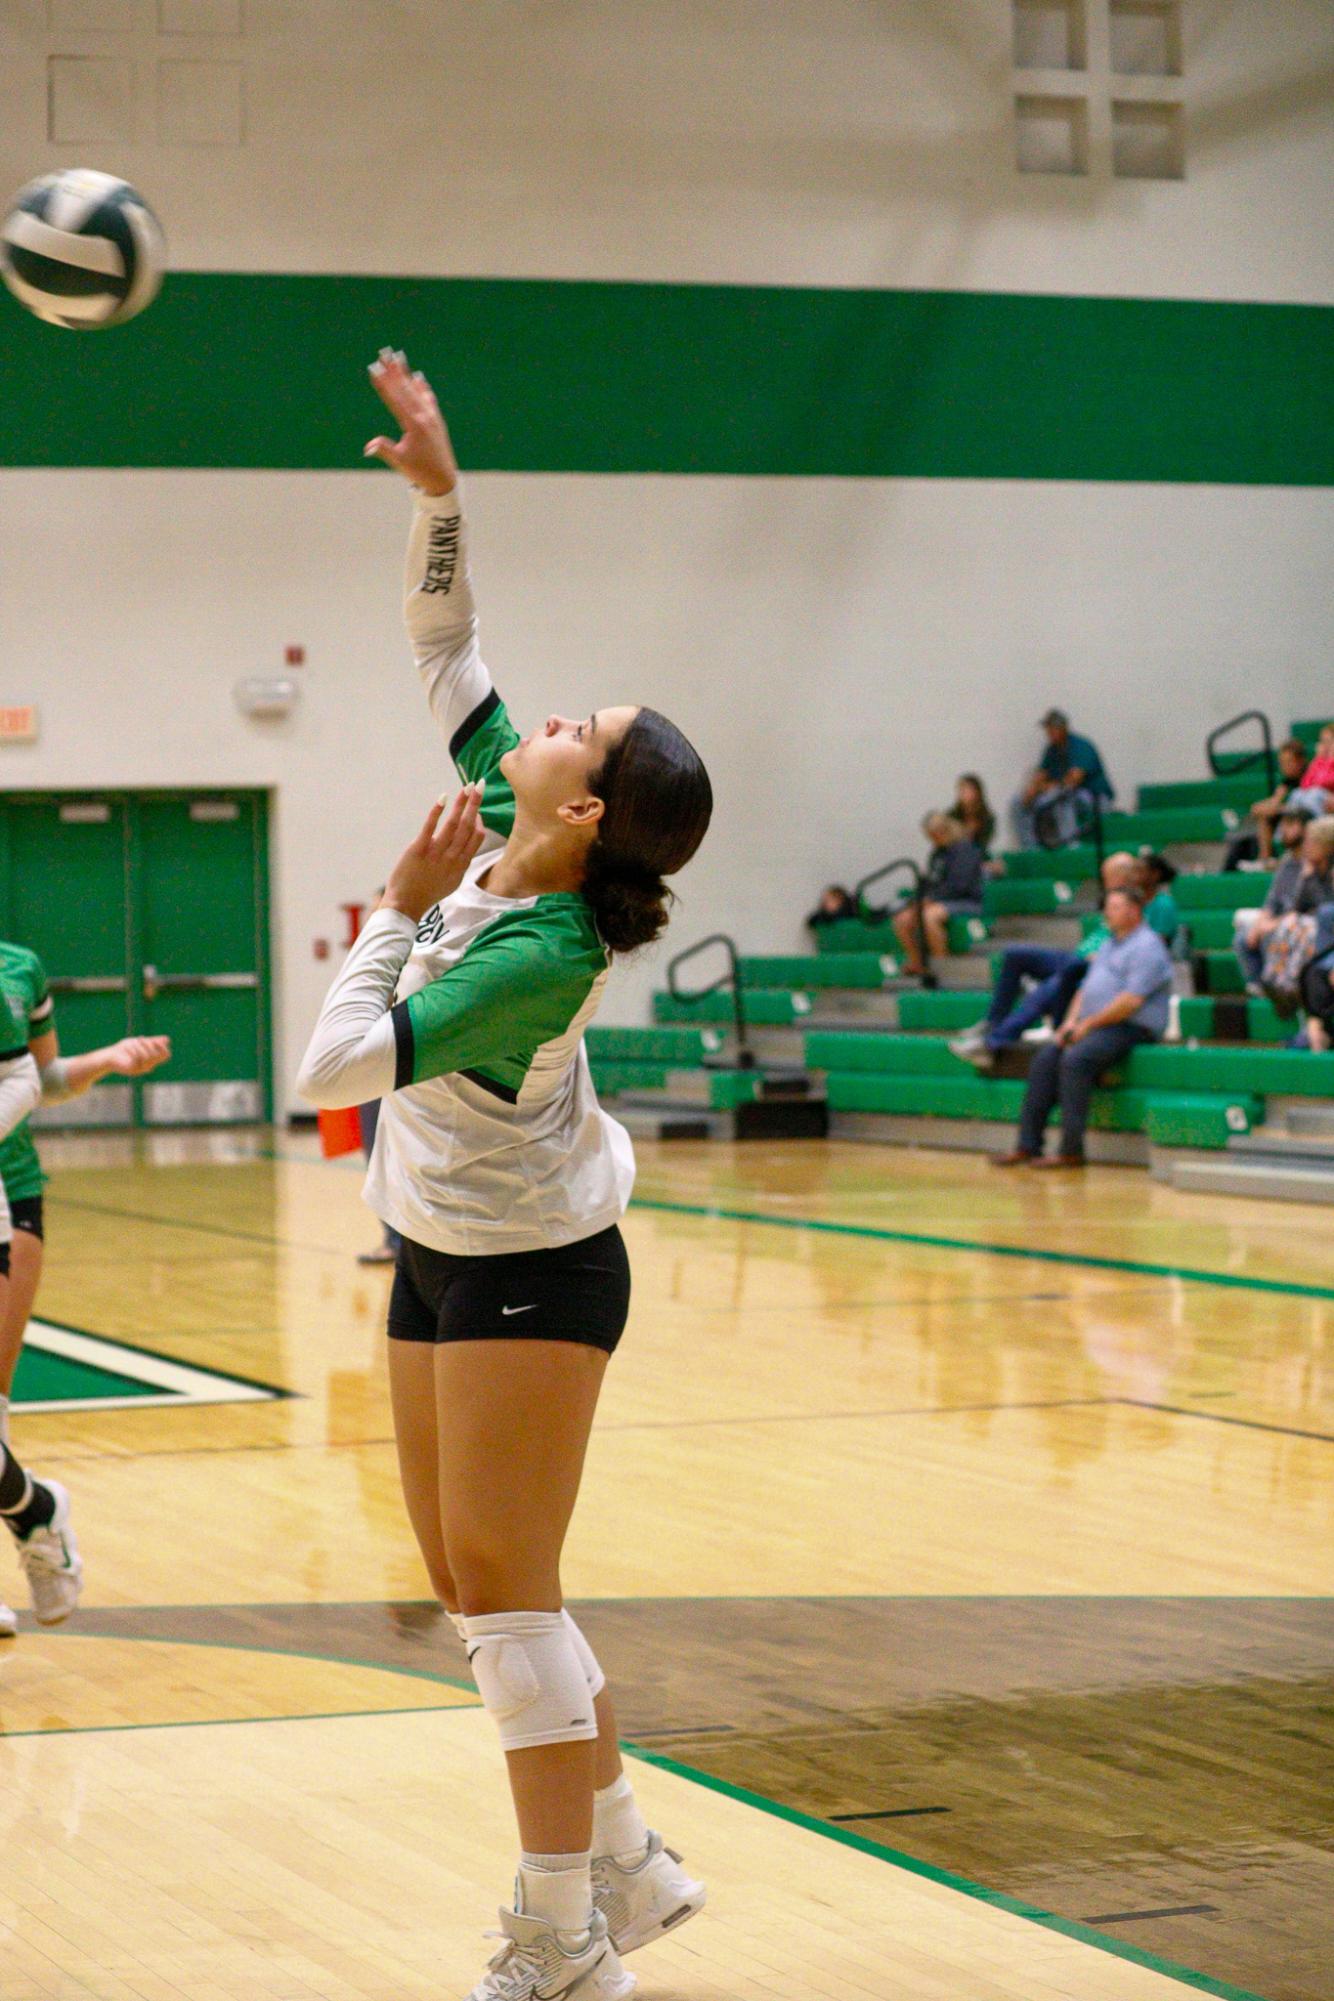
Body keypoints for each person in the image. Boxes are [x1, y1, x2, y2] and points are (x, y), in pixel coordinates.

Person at [297, 349, 711, 2001]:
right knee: (473, 1584)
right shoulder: (506, 811)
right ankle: (623, 1850)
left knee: (511, 1604)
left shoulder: (529, 948)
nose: (537, 719)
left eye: (571, 728)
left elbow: (333, 1071)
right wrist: (442, 499)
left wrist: (395, 904)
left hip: (539, 1269)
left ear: (585, 801)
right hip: (438, 1244)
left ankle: (562, 1942)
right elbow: (445, 644)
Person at [0, 937, 169, 1636]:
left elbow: (37, 1076)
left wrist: (103, 1061)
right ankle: (35, 1510)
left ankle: (37, 1518)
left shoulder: (18, 966)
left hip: (12, 1189)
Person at [991, 885, 1172, 1169]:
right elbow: (1084, 991)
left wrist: (1087, 1025)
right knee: (1045, 1060)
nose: (1106, 913)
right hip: (1095, 1025)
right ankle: (1028, 1145)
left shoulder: (1148, 947)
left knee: (1075, 1061)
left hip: (1131, 1027)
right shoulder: (1110, 944)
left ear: (1134, 911)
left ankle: (1071, 1151)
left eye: (1113, 907)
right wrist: (1069, 1024)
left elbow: (1129, 1002)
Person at [949, 851, 1139, 1067]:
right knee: (1015, 954)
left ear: (1124, 876)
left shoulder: (1134, 906)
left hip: (1094, 968)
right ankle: (993, 1024)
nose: (1104, 882)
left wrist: (1103, 957)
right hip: (1075, 958)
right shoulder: (1112, 902)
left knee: (1057, 982)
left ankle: (992, 1043)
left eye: (1108, 876)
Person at [1232, 809, 1325, 992]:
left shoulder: (1318, 864)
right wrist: (1261, 923)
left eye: (1290, 825)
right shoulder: (1287, 864)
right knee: (1244, 935)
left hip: (1301, 923)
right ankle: (1259, 988)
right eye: (1283, 825)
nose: (1283, 830)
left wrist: (1271, 925)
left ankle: (1280, 989)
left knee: (1274, 934)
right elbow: (1272, 901)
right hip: (1281, 920)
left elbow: (1310, 909)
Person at [890, 812, 984, 977]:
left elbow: (961, 885)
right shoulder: (937, 853)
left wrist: (932, 899)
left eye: (933, 835)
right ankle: (917, 962)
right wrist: (919, 899)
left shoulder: (966, 849)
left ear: (943, 831)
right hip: (939, 899)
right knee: (902, 919)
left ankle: (941, 966)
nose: (932, 840)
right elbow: (932, 881)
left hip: (966, 900)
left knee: (929, 917)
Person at [1011, 709, 1114, 850]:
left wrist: (1047, 787)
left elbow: (1073, 781)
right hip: (1064, 793)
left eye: (1053, 728)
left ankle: (1071, 845)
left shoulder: (1081, 746)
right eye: (1048, 728)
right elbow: (1041, 775)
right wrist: (1032, 790)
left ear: (1063, 728)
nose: (1049, 732)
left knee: (1061, 796)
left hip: (1094, 798)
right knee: (1018, 801)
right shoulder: (1051, 750)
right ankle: (1030, 847)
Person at [1223, 737, 1310, 869]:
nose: (1284, 767)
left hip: (1306, 814)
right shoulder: (1287, 781)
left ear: (1300, 761)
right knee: (1263, 815)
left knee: (1267, 814)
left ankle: (1267, 860)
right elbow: (1274, 801)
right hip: (1290, 812)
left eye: (1288, 762)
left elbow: (1305, 804)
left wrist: (1274, 808)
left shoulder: (1309, 776)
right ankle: (1264, 859)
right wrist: (1258, 807)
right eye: (1281, 763)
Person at [1284, 723, 1334, 819]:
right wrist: (1317, 759)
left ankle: (1314, 826)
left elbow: (1328, 781)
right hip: (1317, 794)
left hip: (1326, 795)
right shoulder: (1318, 762)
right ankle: (1283, 832)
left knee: (1314, 794)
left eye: (1328, 742)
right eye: (1322, 741)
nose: (1324, 746)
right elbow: (1304, 783)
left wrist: (1331, 760)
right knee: (1296, 794)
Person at [1137, 852, 1182, 948]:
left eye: (1140, 871)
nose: (1135, 875)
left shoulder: (1164, 904)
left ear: (1155, 875)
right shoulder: (1133, 902)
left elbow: (1159, 942)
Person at [951, 773, 996, 857]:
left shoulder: (987, 817)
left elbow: (984, 842)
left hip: (979, 856)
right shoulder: (952, 815)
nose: (963, 793)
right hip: (955, 856)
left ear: (977, 792)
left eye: (967, 789)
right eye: (961, 789)